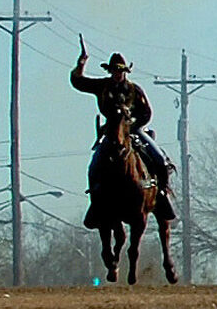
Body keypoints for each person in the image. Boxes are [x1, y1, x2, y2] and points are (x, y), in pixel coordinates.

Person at [71, 50, 175, 221]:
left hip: (134, 131)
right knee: (95, 164)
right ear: (110, 71)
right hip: (111, 133)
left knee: (160, 159)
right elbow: (79, 82)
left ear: (125, 72)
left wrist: (131, 124)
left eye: (120, 71)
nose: (117, 74)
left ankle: (161, 194)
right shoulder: (102, 87)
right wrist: (80, 65)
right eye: (114, 71)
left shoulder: (135, 90)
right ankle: (95, 201)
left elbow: (146, 113)